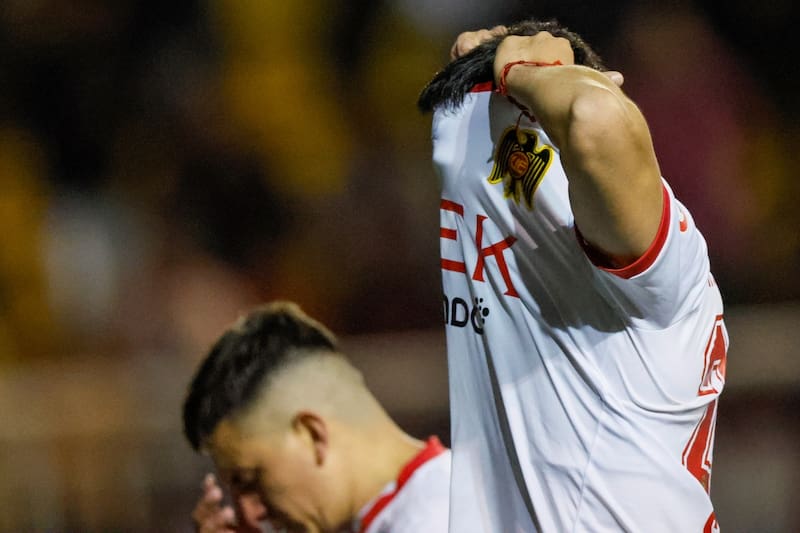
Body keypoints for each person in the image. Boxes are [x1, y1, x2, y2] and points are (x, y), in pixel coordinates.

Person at [418, 19, 728, 532]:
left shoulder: (667, 264)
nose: (513, 175)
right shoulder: (494, 190)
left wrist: (517, 69)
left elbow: (594, 117)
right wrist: (522, 72)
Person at [182, 301, 450, 533]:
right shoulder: (444, 500)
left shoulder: (436, 521)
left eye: (252, 481)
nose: (250, 514)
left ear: (312, 434)